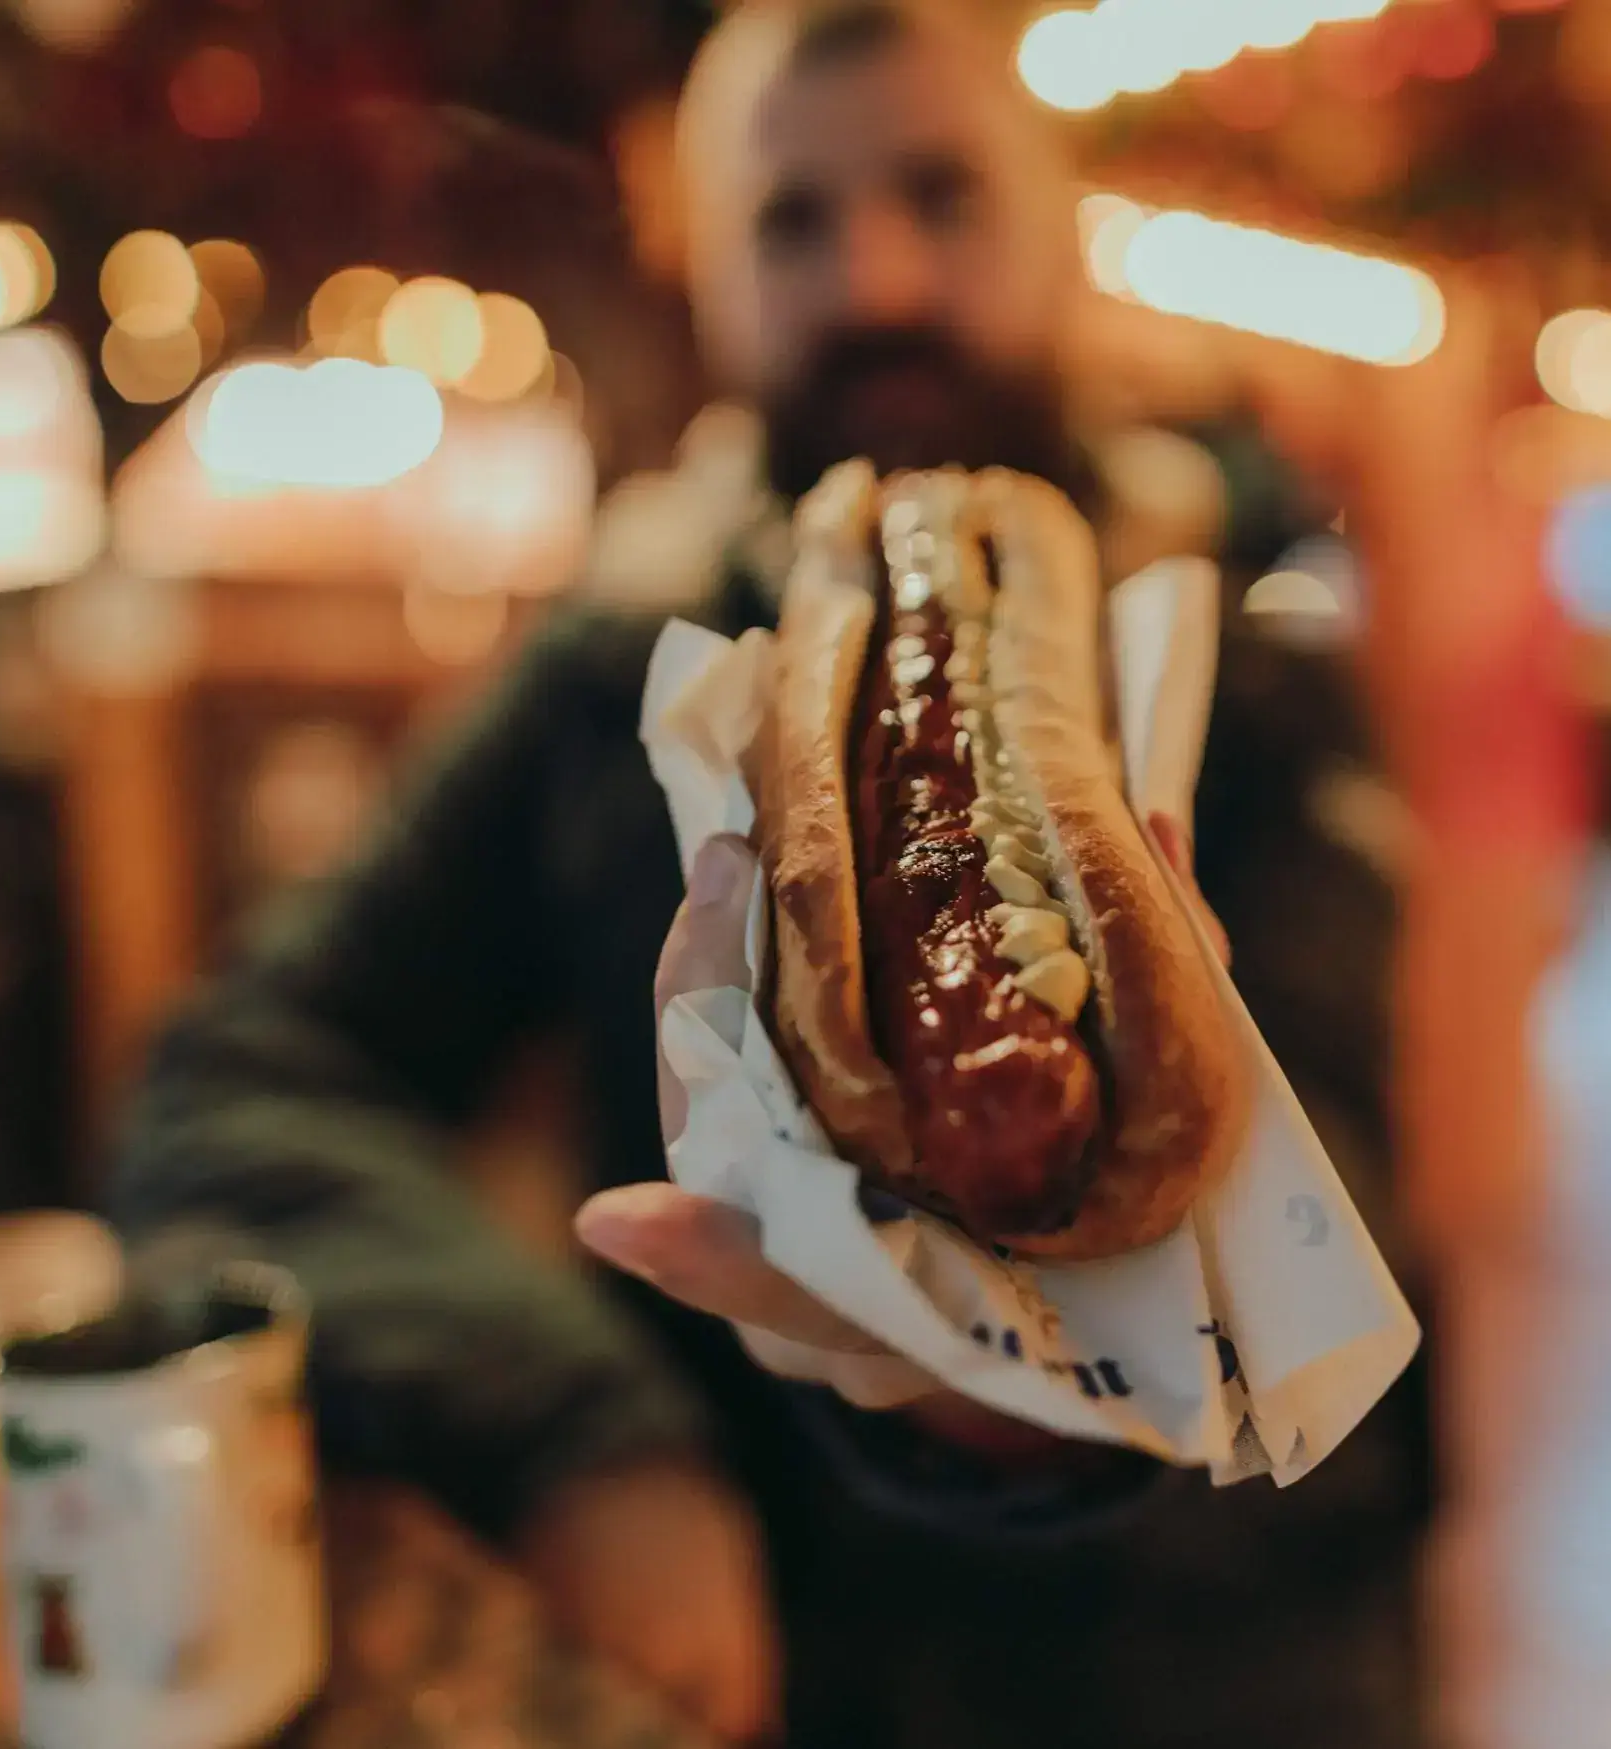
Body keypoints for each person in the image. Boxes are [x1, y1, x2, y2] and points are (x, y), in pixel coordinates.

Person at [109, 4, 1429, 1745]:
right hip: (740, 1692)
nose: (874, 276)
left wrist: (1023, 1410)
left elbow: (1346, 1315)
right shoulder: (601, 680)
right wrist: (584, 1434)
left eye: (942, 195)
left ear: (1057, 228)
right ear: (705, 268)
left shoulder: (1255, 663)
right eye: (792, 223)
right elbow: (227, 1085)